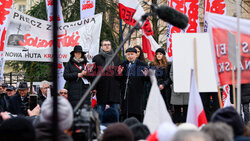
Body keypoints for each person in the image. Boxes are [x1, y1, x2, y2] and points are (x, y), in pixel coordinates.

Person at [92, 39, 121, 123]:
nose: (107, 46)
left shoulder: (116, 58)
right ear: (101, 47)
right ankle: (98, 128)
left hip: (114, 87)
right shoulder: (96, 58)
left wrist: (119, 75)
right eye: (105, 45)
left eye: (109, 44)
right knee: (100, 109)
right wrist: (94, 87)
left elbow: (119, 73)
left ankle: (116, 128)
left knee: (115, 110)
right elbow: (93, 74)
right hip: (102, 87)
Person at [117, 48, 149, 122]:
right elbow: (118, 79)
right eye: (128, 54)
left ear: (136, 55)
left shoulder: (142, 65)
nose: (130, 56)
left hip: (137, 93)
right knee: (125, 113)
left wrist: (146, 75)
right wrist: (119, 74)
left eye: (132, 54)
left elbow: (147, 79)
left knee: (136, 112)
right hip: (126, 93)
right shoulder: (123, 64)